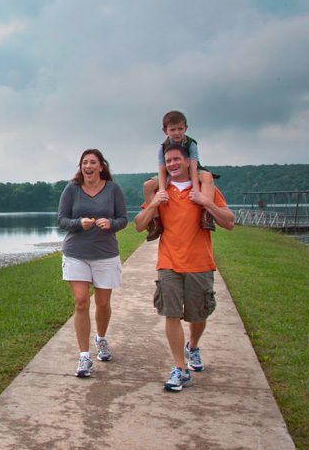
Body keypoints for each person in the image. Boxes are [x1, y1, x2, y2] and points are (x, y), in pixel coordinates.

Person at [134, 143, 234, 392]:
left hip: (199, 262)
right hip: (168, 262)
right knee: (171, 313)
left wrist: (205, 202)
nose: (172, 164)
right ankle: (180, 368)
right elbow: (138, 225)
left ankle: (194, 346)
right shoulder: (162, 190)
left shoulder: (204, 189)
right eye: (168, 161)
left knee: (198, 315)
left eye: (177, 159)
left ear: (188, 162)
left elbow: (229, 222)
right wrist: (155, 204)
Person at [57, 148, 128, 378]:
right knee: (80, 302)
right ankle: (84, 357)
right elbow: (61, 219)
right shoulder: (72, 189)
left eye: (92, 162)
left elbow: (123, 219)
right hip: (76, 253)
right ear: (81, 167)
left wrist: (111, 224)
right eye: (84, 162)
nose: (88, 166)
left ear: (101, 166)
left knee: (103, 303)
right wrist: (79, 223)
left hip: (105, 254)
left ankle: (101, 338)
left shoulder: (113, 189)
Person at [143, 110, 219, 241]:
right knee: (148, 185)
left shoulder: (191, 144)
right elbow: (161, 170)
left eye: (180, 129)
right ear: (165, 131)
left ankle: (207, 214)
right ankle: (155, 221)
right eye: (172, 129)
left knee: (207, 177)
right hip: (170, 172)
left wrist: (195, 189)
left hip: (191, 169)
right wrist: (161, 190)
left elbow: (194, 167)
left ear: (186, 128)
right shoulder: (162, 147)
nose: (177, 133)